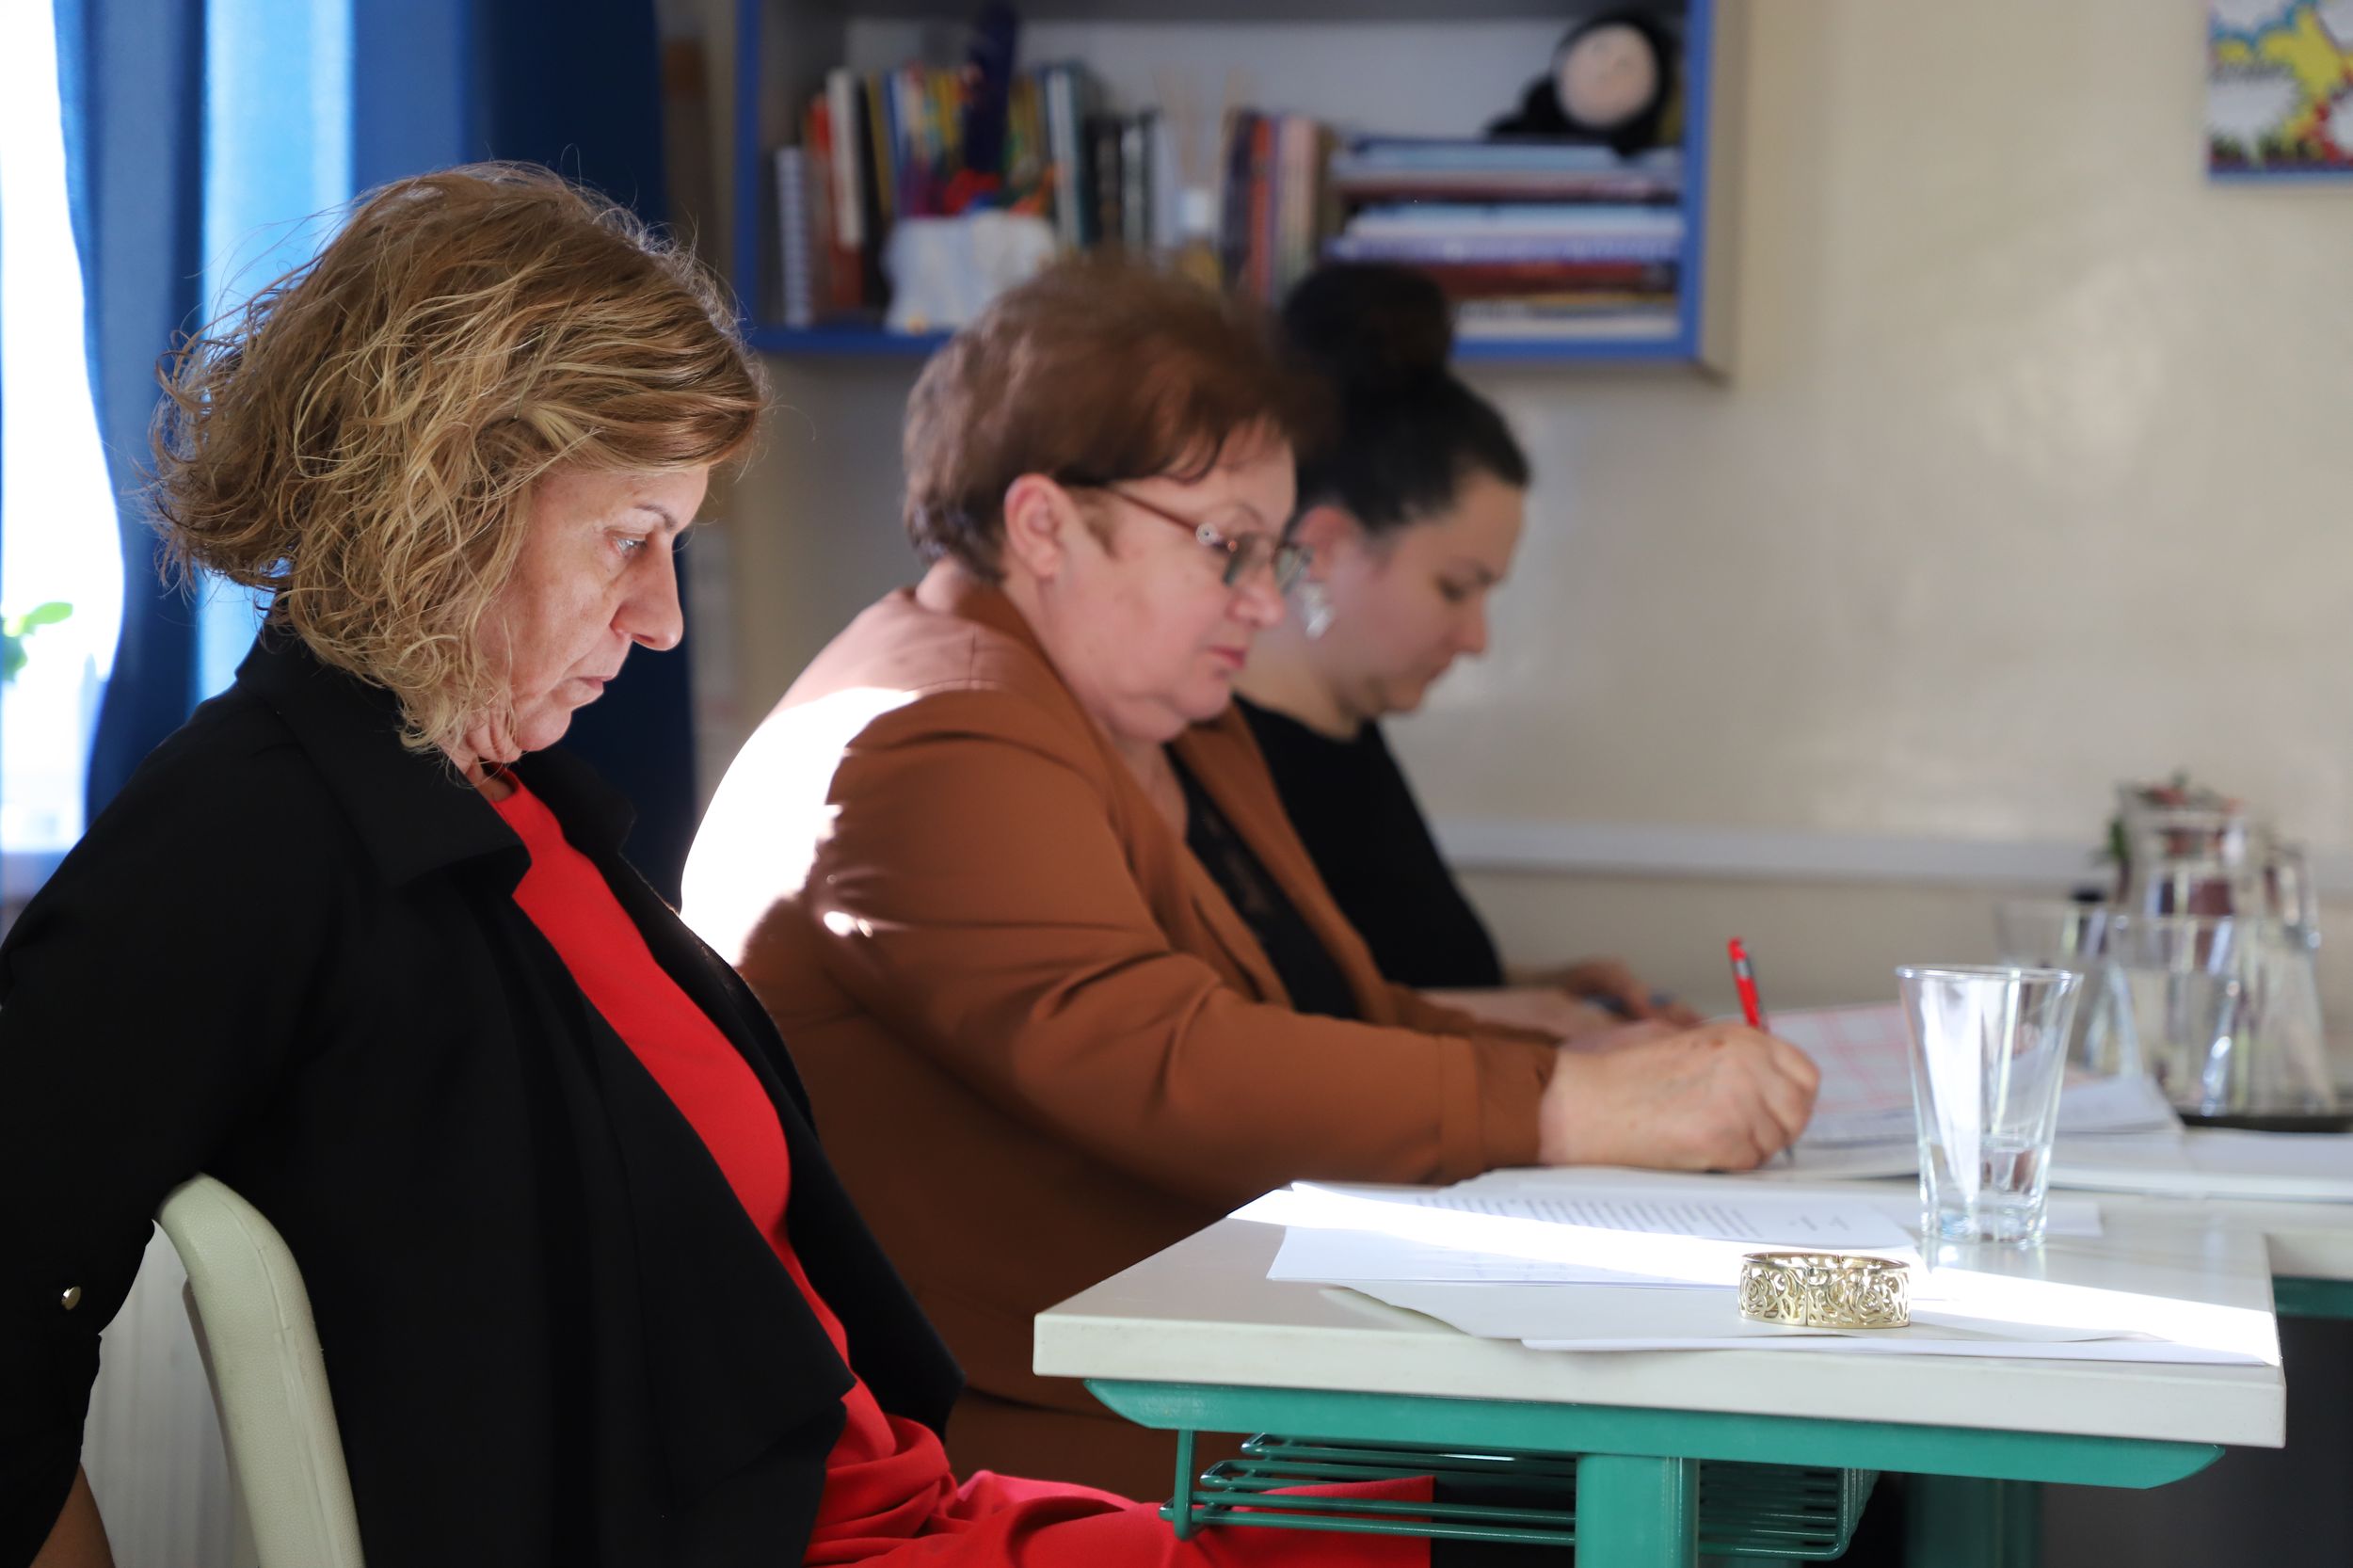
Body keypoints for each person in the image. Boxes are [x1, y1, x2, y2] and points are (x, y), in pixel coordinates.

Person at [2, 166, 1459, 1568]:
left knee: (1444, 1513)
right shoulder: (255, 832)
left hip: (901, 1505)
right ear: (444, 503)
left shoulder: (498, 800)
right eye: (630, 540)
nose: (662, 619)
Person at [681, 258, 1821, 1498]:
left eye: (1274, 556)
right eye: (1227, 547)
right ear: (1044, 525)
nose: (1266, 605)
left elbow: (1328, 1009)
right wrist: (1570, 1104)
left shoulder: (1159, 721)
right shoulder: (931, 730)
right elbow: (1165, 1057)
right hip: (1059, 1443)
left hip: (1218, 1352)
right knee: (1750, 1474)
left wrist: (1596, 1064)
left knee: (1773, 1445)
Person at [1237, 263, 1706, 1042]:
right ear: (1325, 547)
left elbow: (1391, 978)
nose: (1477, 639)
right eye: (1456, 588)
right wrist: (1528, 1022)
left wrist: (1546, 990)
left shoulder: (1350, 733)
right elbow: (1272, 1034)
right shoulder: (1226, 761)